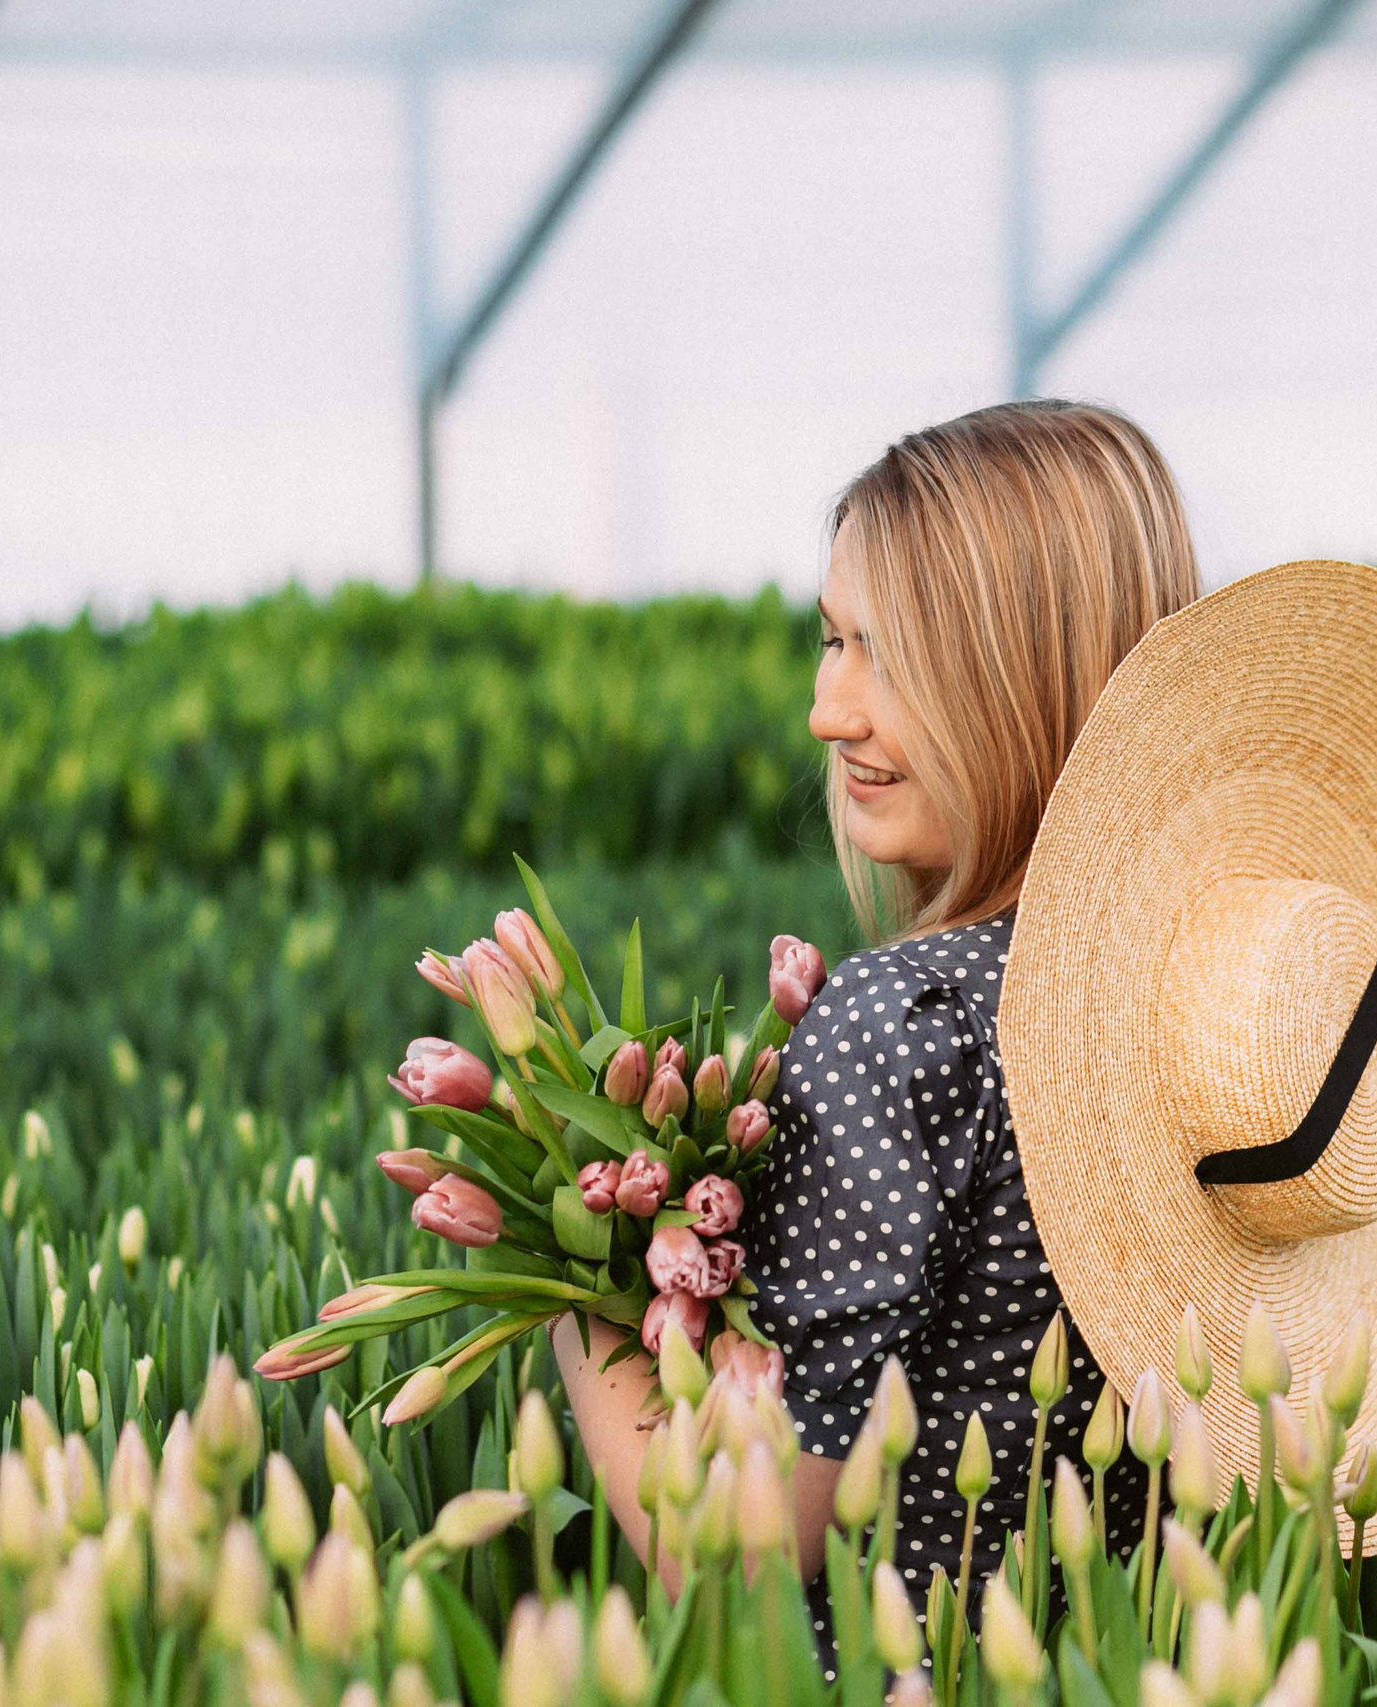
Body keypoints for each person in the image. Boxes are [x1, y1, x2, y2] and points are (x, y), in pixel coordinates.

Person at [552, 397, 1202, 1661]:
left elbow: (728, 1547)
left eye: (888, 654)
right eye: (832, 639)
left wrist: (573, 1284)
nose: (829, 710)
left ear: (1020, 678)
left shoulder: (904, 1025)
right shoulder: (1201, 1007)